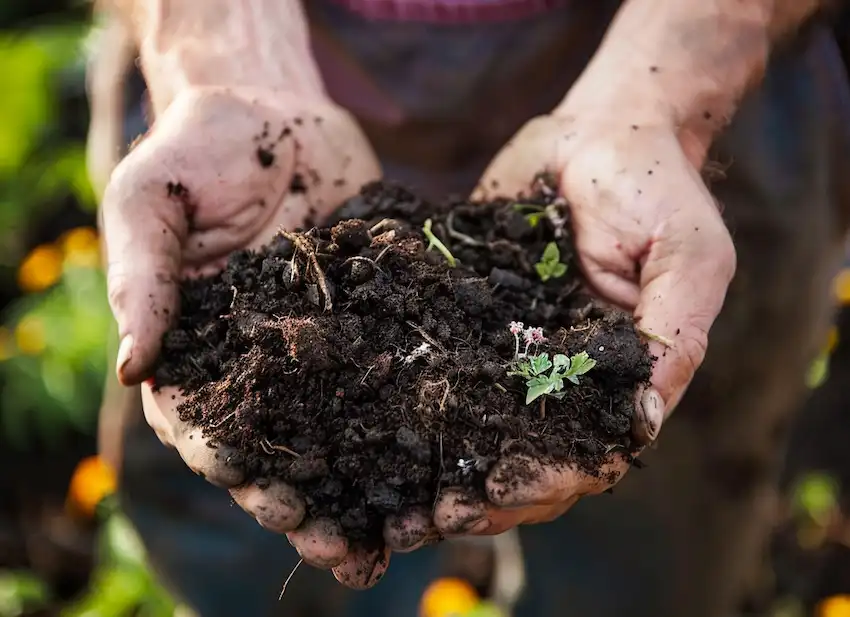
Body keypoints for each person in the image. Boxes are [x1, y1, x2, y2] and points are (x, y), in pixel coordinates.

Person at [89, 1, 850, 616]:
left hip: (676, 86)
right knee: (253, 539)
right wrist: (220, 52)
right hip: (252, 89)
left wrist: (664, 90)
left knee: (651, 545)